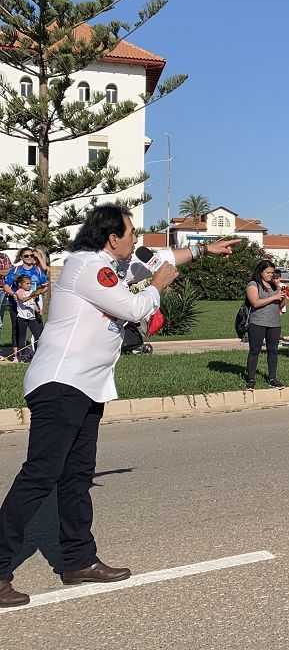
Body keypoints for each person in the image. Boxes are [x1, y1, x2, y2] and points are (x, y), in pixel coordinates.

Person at [0, 204, 237, 608]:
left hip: (85, 387)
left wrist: (203, 250)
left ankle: (78, 560)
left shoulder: (110, 266)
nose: (135, 240)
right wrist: (159, 285)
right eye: (130, 233)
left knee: (76, 476)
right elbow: (134, 308)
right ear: (112, 238)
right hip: (61, 383)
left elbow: (158, 260)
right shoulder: (87, 266)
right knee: (41, 475)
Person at [245, 259, 286, 392]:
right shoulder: (253, 284)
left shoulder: (275, 286)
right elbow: (255, 303)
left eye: (272, 273)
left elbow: (280, 305)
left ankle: (272, 378)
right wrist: (273, 297)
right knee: (254, 351)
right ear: (260, 271)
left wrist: (282, 298)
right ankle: (251, 379)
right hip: (257, 322)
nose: (270, 275)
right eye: (268, 272)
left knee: (273, 351)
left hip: (274, 323)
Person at [3, 247, 49, 362]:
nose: (29, 258)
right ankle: (17, 356)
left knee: (38, 330)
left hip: (34, 305)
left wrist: (35, 294)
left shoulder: (38, 270)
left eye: (31, 255)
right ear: (21, 257)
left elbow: (45, 285)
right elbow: (6, 286)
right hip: (16, 305)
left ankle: (39, 355)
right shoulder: (15, 270)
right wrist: (14, 294)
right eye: (26, 256)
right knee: (17, 330)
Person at [12, 274, 45, 362]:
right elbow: (22, 299)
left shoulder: (31, 291)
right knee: (22, 337)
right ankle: (23, 355)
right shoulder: (19, 291)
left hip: (32, 318)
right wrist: (32, 295)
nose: (29, 285)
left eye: (30, 283)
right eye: (27, 284)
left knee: (37, 336)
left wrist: (38, 310)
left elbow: (33, 303)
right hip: (22, 318)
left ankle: (38, 354)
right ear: (20, 284)